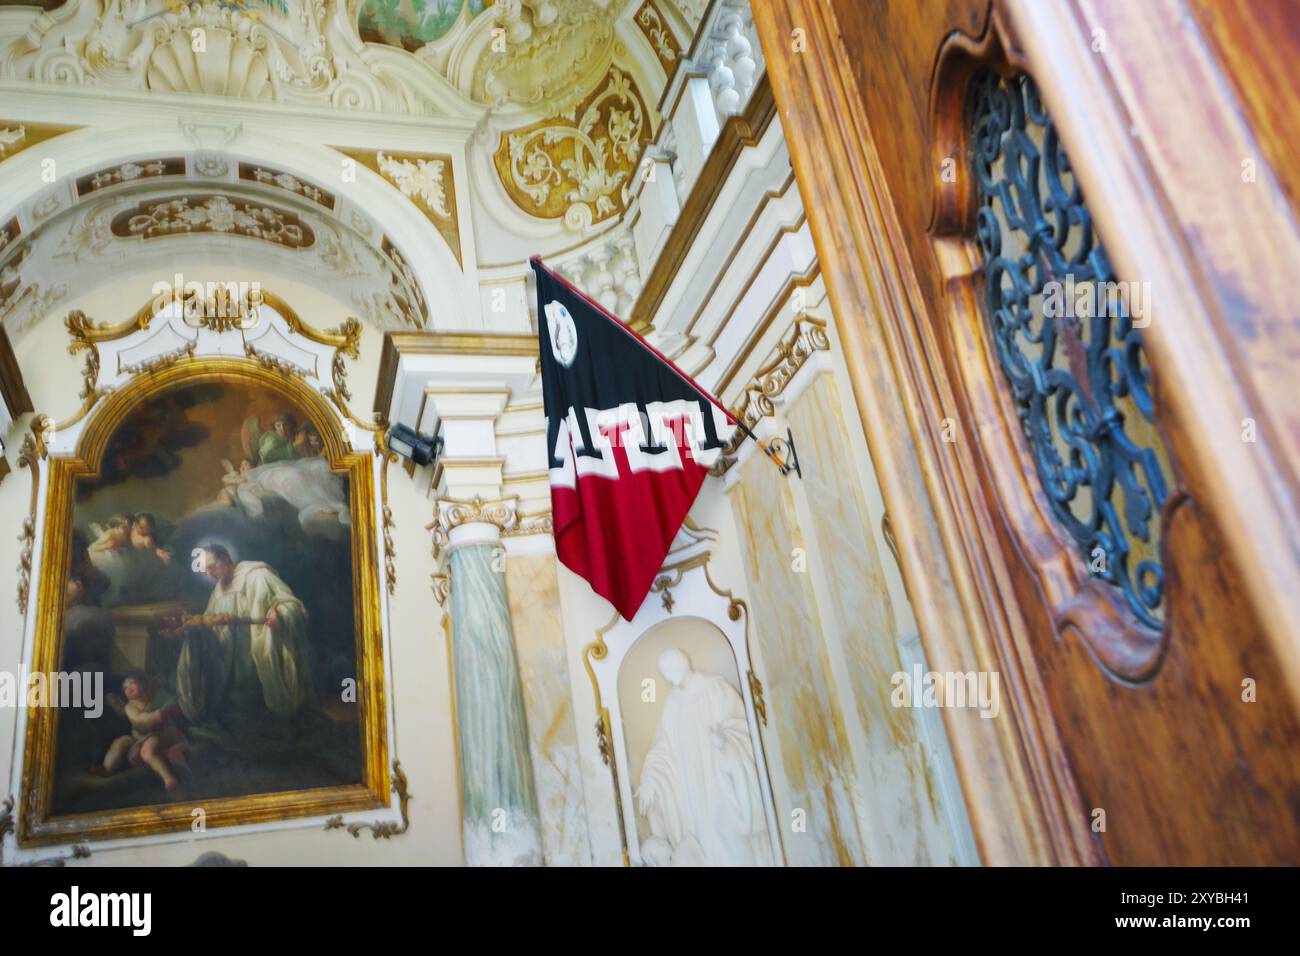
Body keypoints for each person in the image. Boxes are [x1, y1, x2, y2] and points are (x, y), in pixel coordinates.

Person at [635, 647, 773, 866]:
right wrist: (650, 780)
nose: (667, 678)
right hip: (692, 796)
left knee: (733, 843)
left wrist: (725, 743)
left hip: (721, 783)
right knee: (704, 847)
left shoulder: (716, 689)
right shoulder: (672, 705)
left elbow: (743, 728)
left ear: (680, 665)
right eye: (663, 674)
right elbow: (662, 749)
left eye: (668, 671)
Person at [173, 545, 311, 729]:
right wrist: (190, 628)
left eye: (212, 567)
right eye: (205, 570)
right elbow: (209, 621)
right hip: (227, 658)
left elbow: (291, 605)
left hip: (256, 652)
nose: (209, 574)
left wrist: (279, 615)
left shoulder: (257, 574)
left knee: (260, 714)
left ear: (226, 560)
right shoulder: (218, 589)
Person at [96, 672, 189, 792]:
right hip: (138, 737)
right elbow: (140, 720)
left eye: (132, 683)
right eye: (125, 688)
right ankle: (106, 768)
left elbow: (174, 705)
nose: (128, 688)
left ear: (143, 684)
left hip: (160, 734)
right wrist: (157, 715)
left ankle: (169, 779)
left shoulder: (157, 697)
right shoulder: (130, 707)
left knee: (148, 750)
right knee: (120, 743)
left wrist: (167, 712)